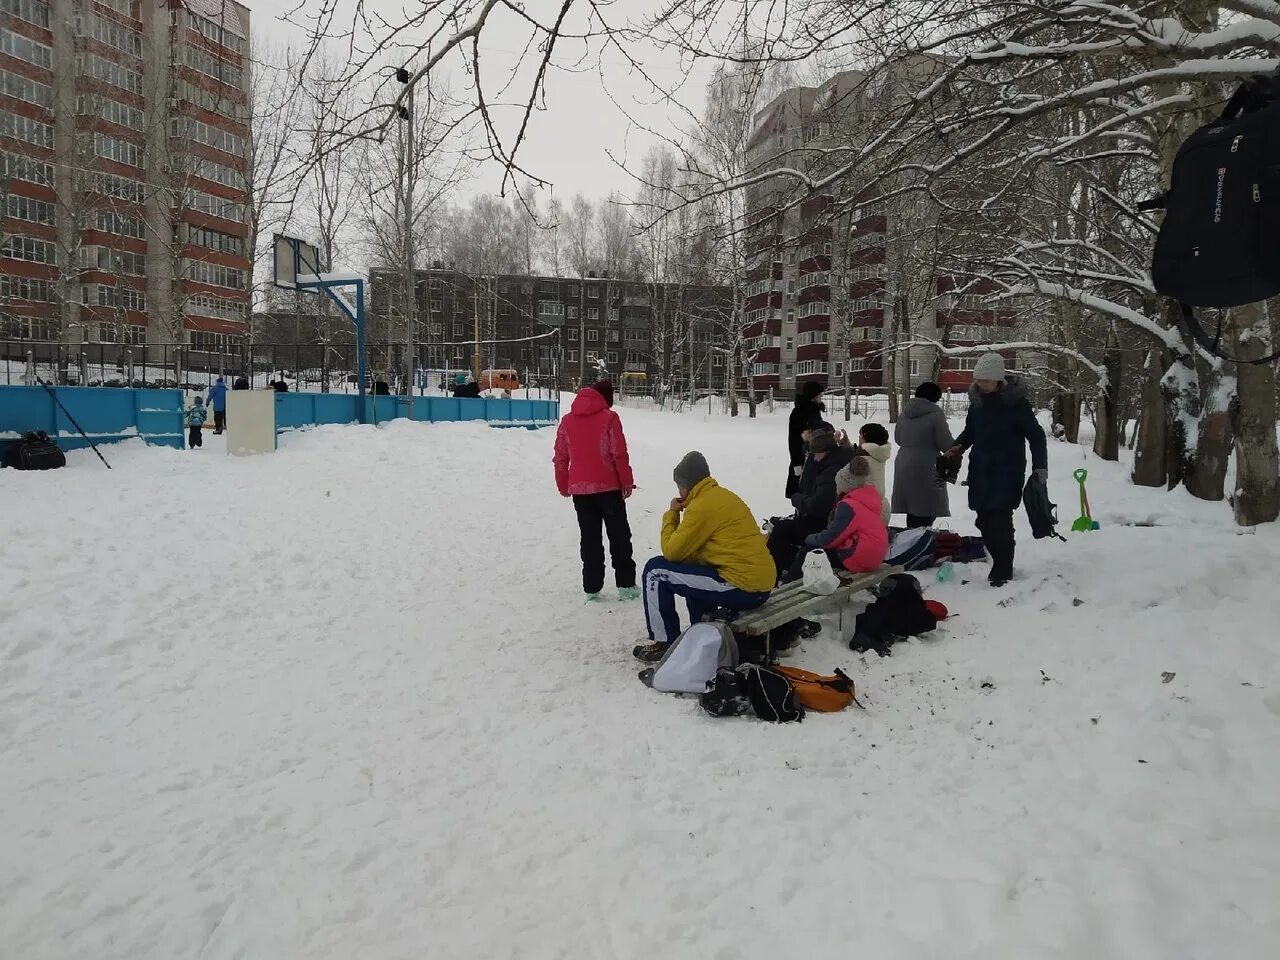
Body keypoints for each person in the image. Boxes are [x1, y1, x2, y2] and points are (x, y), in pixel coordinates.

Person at [634, 451, 774, 662]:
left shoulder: (701, 506)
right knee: (693, 572)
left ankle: (665, 642)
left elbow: (672, 552)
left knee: (655, 571)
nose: (679, 491)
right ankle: (701, 632)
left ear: (687, 485)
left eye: (679, 486)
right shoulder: (723, 496)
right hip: (758, 584)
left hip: (742, 586)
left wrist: (671, 514)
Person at [949, 353, 1048, 587]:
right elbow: (971, 432)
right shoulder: (978, 404)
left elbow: (1036, 435)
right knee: (983, 519)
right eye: (978, 380)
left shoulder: (1015, 403)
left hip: (1007, 470)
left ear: (997, 379)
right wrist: (958, 446)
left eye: (985, 380)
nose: (981, 384)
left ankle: (1003, 569)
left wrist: (1040, 467)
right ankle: (1000, 563)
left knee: (1000, 520)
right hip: (981, 469)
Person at [553, 378, 637, 603]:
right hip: (609, 488)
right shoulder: (610, 418)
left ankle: (591, 587)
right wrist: (626, 483)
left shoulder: (567, 421)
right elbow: (619, 453)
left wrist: (563, 485)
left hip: (580, 491)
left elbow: (560, 458)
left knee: (589, 538)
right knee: (619, 535)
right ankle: (626, 585)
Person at [767, 422, 853, 580]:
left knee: (781, 530)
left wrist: (797, 499)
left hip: (824, 525)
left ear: (825, 451)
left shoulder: (831, 471)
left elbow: (819, 506)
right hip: (828, 521)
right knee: (784, 528)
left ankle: (773, 575)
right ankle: (781, 570)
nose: (816, 459)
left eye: (817, 454)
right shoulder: (835, 461)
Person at [794, 456, 890, 576]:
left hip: (859, 558)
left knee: (809, 552)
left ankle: (788, 586)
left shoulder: (848, 506)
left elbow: (830, 539)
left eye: (837, 484)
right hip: (874, 557)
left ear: (844, 486)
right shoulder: (867, 499)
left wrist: (808, 538)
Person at [893, 381, 954, 529]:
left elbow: (898, 439)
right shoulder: (936, 414)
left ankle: (912, 538)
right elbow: (945, 443)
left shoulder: (904, 413)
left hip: (903, 461)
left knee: (912, 507)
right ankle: (919, 542)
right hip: (927, 464)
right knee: (927, 507)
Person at [786, 381, 825, 497]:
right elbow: (794, 439)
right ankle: (799, 512)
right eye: (819, 395)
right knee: (801, 484)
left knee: (811, 486)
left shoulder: (814, 411)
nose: (821, 397)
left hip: (815, 455)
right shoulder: (800, 413)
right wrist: (797, 460)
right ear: (813, 396)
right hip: (802, 455)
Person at [848, 422, 892, 526]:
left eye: (861, 435)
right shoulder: (878, 455)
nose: (859, 437)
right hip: (879, 507)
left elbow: (843, 479)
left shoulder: (862, 460)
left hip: (866, 510)